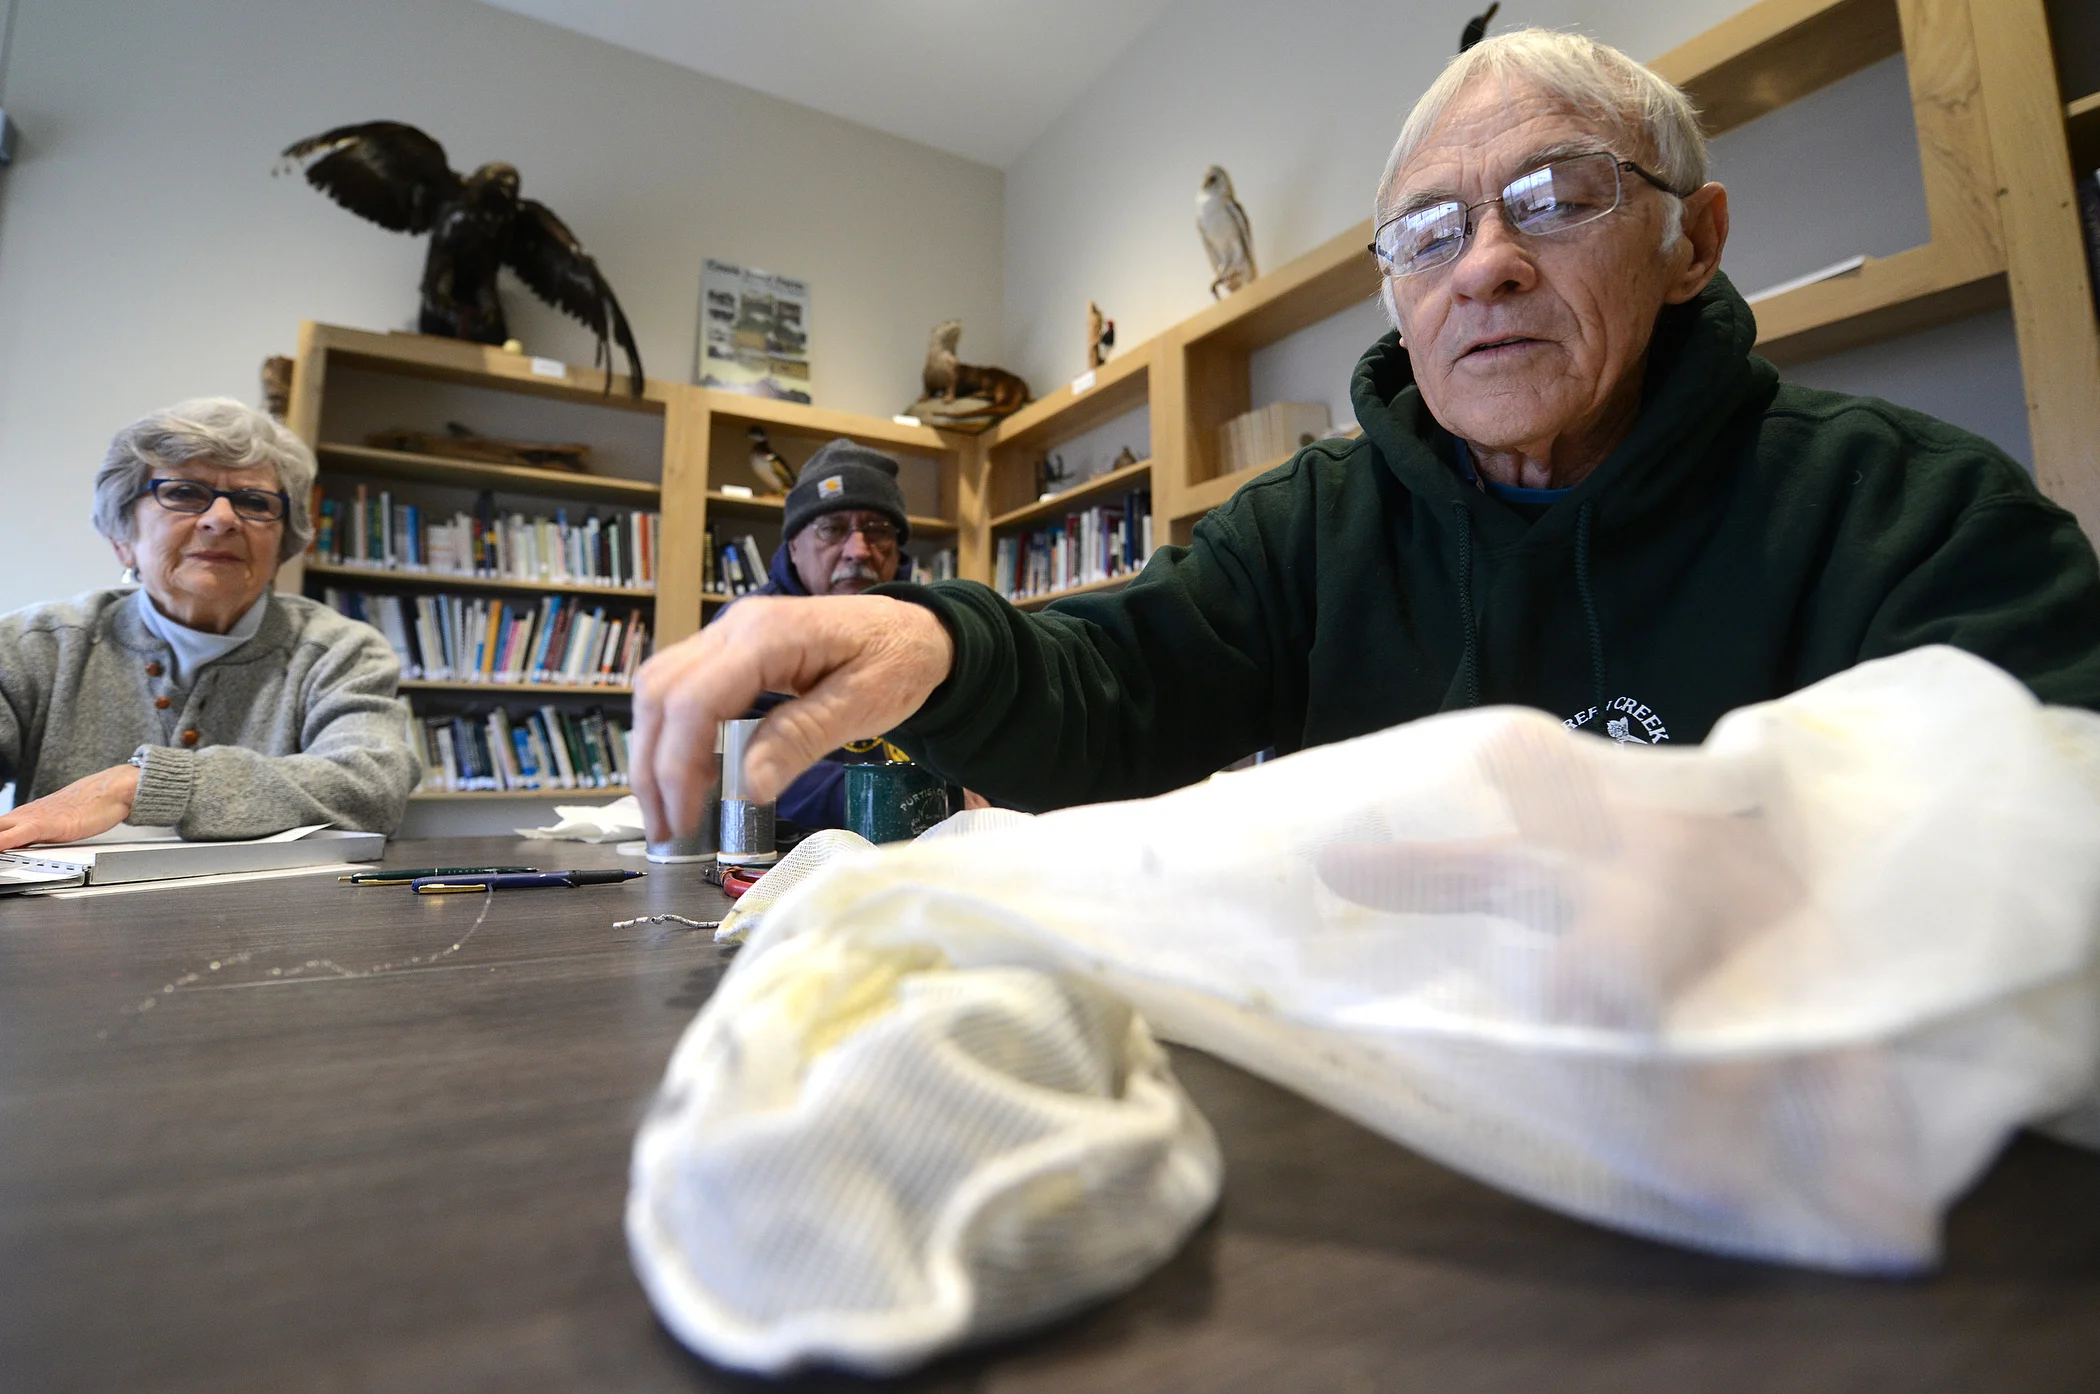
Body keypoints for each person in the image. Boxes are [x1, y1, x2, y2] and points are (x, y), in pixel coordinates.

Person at [630, 29, 2100, 843]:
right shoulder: (1310, 525)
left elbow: (2050, 840)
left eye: (1553, 198)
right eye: (1432, 230)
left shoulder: (1918, 517)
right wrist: (941, 646)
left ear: (1691, 242)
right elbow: (1127, 677)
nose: (1486, 265)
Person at [0, 398, 419, 849]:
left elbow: (374, 789)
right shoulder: (34, 648)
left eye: (254, 502)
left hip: (276, 916)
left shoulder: (342, 651)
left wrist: (141, 786)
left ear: (282, 547)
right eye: (183, 493)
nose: (221, 519)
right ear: (124, 537)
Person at [714, 439, 920, 829]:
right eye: (832, 529)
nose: (858, 550)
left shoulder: (936, 626)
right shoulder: (751, 631)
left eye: (877, 530)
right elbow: (749, 769)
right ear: (794, 546)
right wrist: (898, 798)